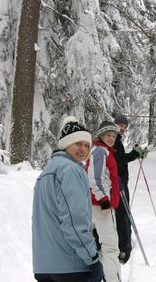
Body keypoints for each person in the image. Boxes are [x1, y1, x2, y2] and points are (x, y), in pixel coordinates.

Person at [32, 116, 104, 282]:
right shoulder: (71, 170)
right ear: (66, 144)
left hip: (44, 266)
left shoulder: (45, 173)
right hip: (70, 266)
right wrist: (92, 258)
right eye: (78, 143)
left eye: (87, 145)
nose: (83, 149)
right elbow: (74, 221)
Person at [86, 120, 122, 282]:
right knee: (111, 248)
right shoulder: (100, 151)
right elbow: (94, 178)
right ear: (101, 135)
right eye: (108, 134)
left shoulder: (103, 151)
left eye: (113, 135)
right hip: (101, 206)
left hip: (100, 205)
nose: (111, 138)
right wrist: (104, 200)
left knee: (104, 247)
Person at [113, 115, 145, 264]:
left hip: (121, 182)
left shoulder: (117, 140)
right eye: (120, 125)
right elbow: (119, 159)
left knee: (124, 212)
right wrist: (134, 154)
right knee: (122, 213)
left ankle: (126, 242)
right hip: (117, 183)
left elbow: (121, 158)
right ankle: (124, 248)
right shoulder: (113, 140)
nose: (123, 128)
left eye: (125, 126)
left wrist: (136, 153)